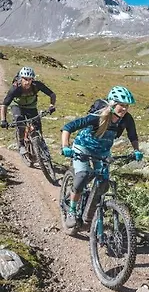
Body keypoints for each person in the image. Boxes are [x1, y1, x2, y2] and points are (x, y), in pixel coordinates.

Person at [60, 85, 143, 228]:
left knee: (103, 184)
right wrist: (65, 147)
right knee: (82, 176)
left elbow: (133, 135)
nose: (124, 109)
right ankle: (72, 210)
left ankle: (89, 214)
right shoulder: (98, 116)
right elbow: (68, 127)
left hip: (103, 152)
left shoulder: (126, 119)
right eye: (121, 105)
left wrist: (136, 150)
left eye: (127, 106)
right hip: (83, 147)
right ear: (113, 104)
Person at [0, 66, 56, 154]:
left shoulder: (36, 85)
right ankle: (21, 144)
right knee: (20, 122)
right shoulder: (15, 88)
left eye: (30, 79)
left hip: (31, 106)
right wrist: (3, 120)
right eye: (25, 79)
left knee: (37, 126)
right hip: (17, 106)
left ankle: (41, 143)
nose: (27, 82)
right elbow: (4, 105)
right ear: (20, 78)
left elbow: (52, 94)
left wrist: (51, 105)